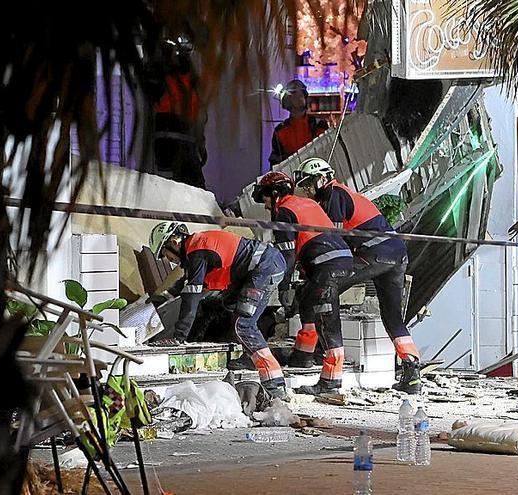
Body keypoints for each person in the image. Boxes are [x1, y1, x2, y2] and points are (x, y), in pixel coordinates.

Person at [294, 157, 422, 394]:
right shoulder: (340, 194)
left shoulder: (334, 195)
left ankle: (329, 375)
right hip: (395, 254)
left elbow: (333, 241)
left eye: (310, 184)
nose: (308, 191)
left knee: (324, 289)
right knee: (392, 316)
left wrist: (309, 271)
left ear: (322, 179)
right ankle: (412, 374)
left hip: (375, 251)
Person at [147, 223, 288, 399]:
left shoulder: (197, 251)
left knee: (243, 324)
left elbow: (191, 297)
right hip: (263, 267)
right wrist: (164, 296)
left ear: (174, 242)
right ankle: (250, 357)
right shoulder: (198, 247)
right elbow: (187, 282)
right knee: (230, 304)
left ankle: (275, 384)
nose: (168, 260)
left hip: (263, 269)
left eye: (164, 254)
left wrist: (178, 338)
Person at [252, 172, 352, 395]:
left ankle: (330, 383)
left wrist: (283, 286)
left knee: (326, 317)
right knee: (308, 303)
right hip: (337, 259)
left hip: (326, 264)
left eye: (265, 199)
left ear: (274, 194)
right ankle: (303, 356)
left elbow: (286, 256)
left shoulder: (283, 212)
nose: (266, 206)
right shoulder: (305, 203)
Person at [152, 38, 208, 188]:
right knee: (191, 189)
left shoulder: (165, 78)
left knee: (171, 187)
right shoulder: (189, 82)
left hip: (172, 140)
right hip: (178, 140)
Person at [268, 80, 329, 168]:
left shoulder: (320, 125)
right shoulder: (280, 131)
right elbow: (275, 163)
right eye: (294, 95)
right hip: (292, 175)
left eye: (301, 95)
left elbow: (328, 151)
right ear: (287, 101)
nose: (299, 98)